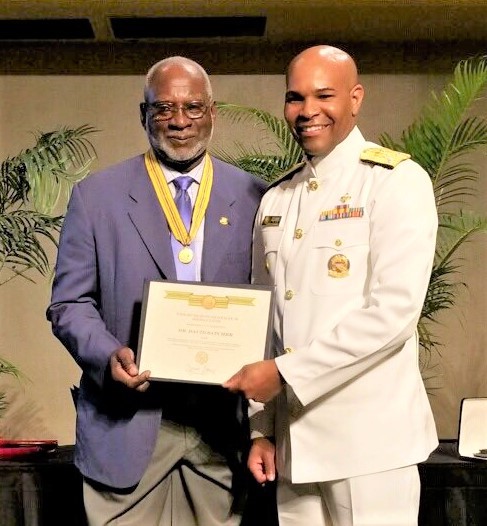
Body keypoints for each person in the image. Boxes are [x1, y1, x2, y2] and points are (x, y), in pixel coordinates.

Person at [223, 45, 439, 526]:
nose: (306, 111)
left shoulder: (395, 182)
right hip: (296, 445)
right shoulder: (278, 197)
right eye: (295, 98)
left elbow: (393, 314)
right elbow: (267, 321)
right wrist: (261, 428)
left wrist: (283, 374)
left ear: (356, 98)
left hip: (370, 445)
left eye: (324, 95)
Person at [46, 56, 267, 526]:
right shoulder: (96, 196)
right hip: (126, 423)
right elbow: (69, 303)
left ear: (213, 112)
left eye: (193, 107)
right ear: (142, 114)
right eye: (164, 108)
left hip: (218, 431)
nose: (180, 121)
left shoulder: (255, 197)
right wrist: (108, 356)